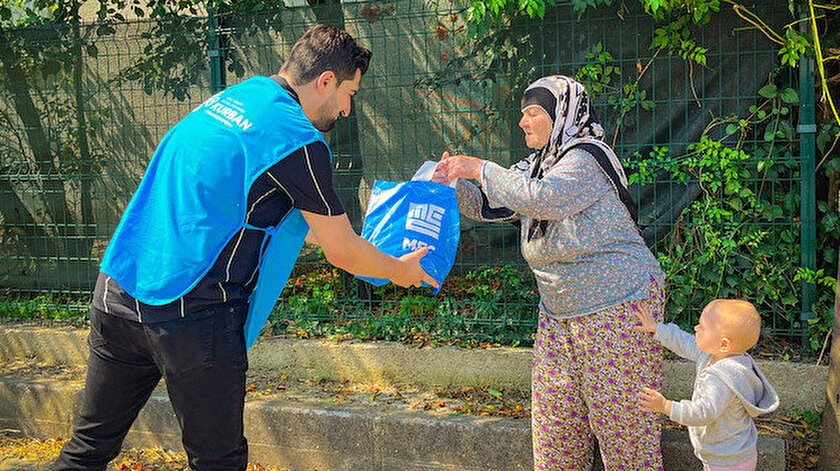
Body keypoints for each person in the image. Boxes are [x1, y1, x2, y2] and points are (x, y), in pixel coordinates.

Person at [54, 24, 436, 471]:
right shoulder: (298, 141)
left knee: (88, 449)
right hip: (191, 313)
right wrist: (397, 269)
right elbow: (342, 251)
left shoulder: (237, 99)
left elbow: (254, 212)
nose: (348, 109)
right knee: (218, 461)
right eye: (349, 92)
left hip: (118, 289)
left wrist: (359, 244)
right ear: (325, 81)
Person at [433, 75, 666, 470]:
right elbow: (494, 204)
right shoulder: (536, 165)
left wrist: (479, 166)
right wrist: (452, 184)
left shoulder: (587, 157)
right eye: (522, 113)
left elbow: (545, 199)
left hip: (618, 311)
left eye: (533, 113)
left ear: (562, 114)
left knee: (625, 429)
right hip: (559, 315)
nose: (523, 122)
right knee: (557, 428)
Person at [634, 300, 779, 471]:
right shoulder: (717, 355)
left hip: (727, 461)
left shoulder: (721, 378)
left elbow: (703, 413)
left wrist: (666, 406)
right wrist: (657, 329)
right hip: (730, 454)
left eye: (702, 326)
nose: (696, 328)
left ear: (724, 344)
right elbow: (686, 343)